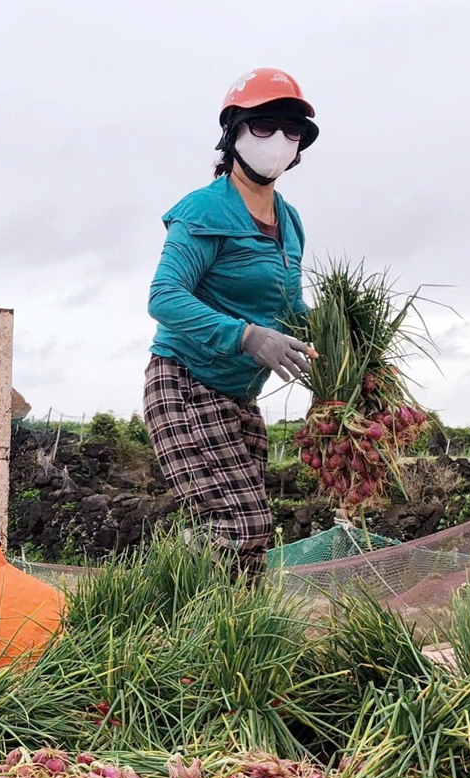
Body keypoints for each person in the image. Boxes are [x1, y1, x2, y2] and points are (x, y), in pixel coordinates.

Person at [144, 67, 320, 579]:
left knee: (247, 541)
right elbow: (164, 296)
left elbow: (288, 308)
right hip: (185, 383)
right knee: (241, 521)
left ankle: (233, 639)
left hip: (237, 396)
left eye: (291, 131)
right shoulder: (204, 211)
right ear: (234, 134)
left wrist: (336, 337)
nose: (278, 141)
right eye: (263, 127)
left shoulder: (290, 222)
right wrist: (245, 335)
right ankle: (183, 623)